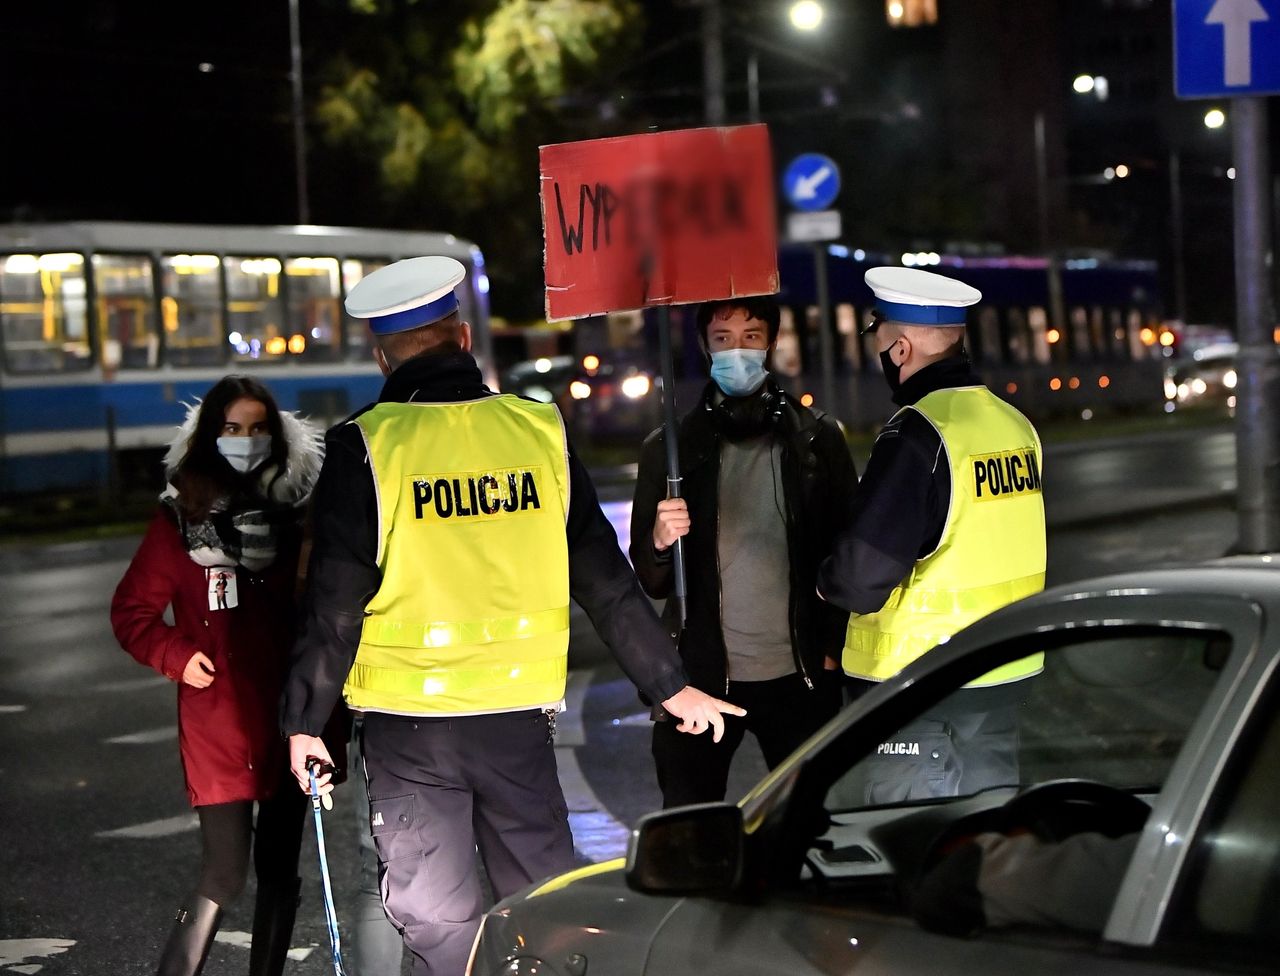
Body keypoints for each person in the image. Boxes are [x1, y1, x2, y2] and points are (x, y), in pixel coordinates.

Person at [280, 255, 744, 976]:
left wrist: (306, 724)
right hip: (518, 721)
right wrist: (670, 684)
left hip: (411, 732)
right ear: (463, 338)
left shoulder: (367, 446)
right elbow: (605, 578)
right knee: (542, 907)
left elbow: (334, 605)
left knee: (439, 923)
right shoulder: (538, 431)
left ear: (382, 357)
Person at [110, 376, 325, 976]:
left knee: (281, 868)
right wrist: (177, 657)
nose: (246, 441)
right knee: (225, 871)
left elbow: (326, 611)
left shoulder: (301, 518)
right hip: (219, 723)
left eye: (258, 428)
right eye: (232, 429)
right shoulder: (181, 518)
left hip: (290, 717)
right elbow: (132, 612)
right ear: (209, 436)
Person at [817, 267, 1047, 804]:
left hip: (918, 688)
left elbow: (859, 579)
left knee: (909, 841)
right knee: (988, 835)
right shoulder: (1015, 425)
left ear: (899, 348)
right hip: (1003, 676)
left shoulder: (917, 433)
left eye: (875, 333)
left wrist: (824, 583)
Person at [629, 296, 858, 808]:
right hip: (703, 680)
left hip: (800, 676)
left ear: (771, 342)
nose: (738, 351)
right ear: (705, 348)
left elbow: (848, 550)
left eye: (751, 337)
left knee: (805, 819)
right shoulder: (668, 448)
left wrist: (832, 649)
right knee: (690, 821)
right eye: (723, 339)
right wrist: (661, 542)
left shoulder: (817, 440)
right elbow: (651, 580)